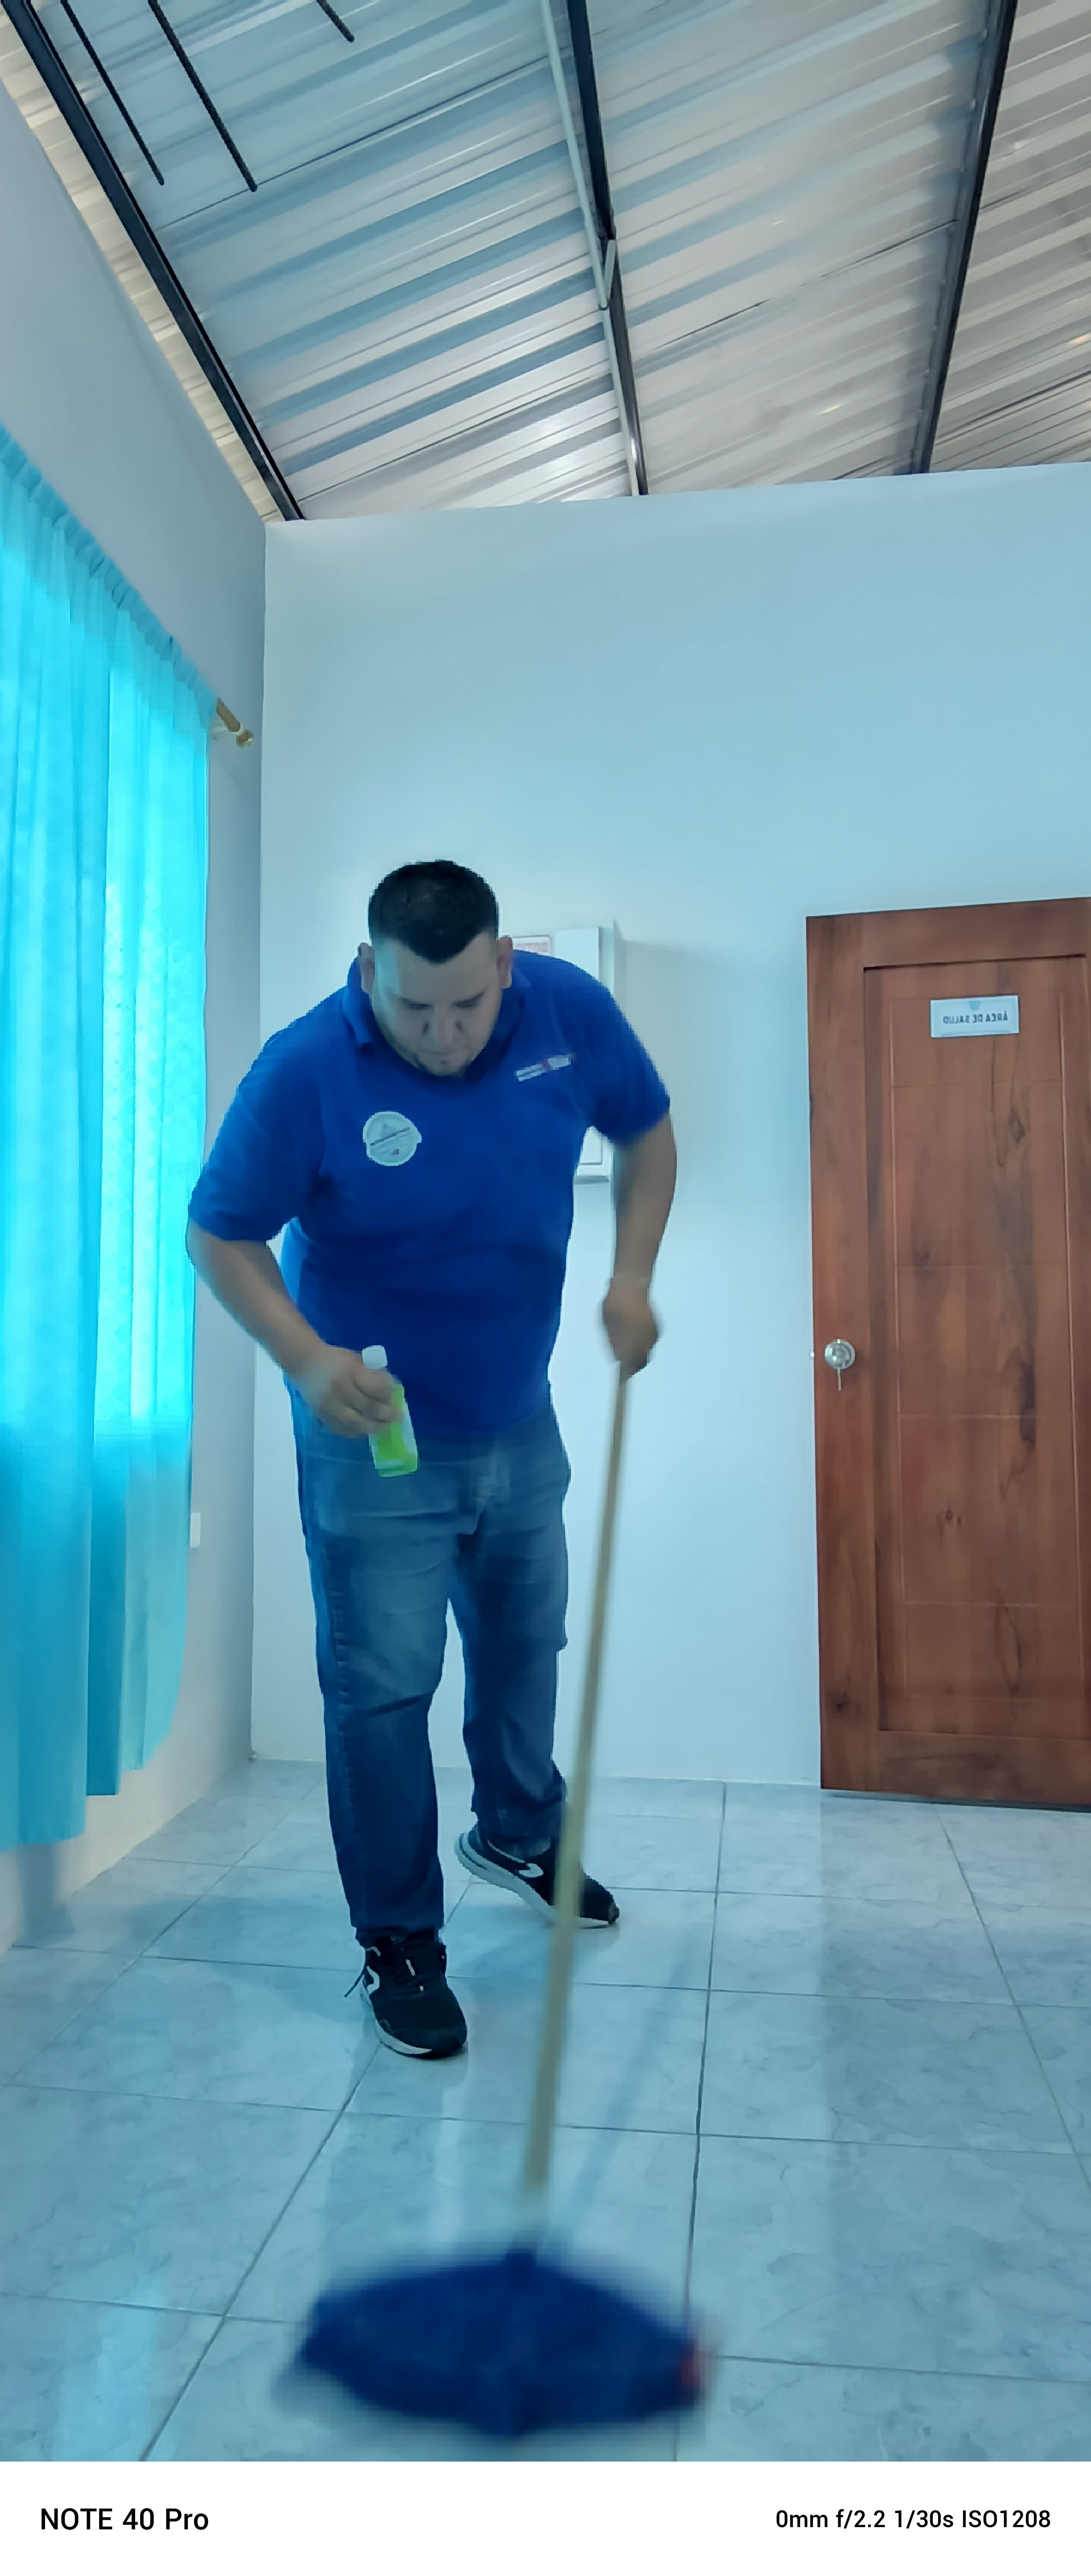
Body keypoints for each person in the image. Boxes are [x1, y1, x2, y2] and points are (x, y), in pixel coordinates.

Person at [186, 862, 676, 2060]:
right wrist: (306, 1360)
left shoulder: (568, 1013)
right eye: (414, 1007)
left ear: (506, 964)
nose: (443, 1034)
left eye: (466, 1005)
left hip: (518, 1417)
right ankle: (399, 1940)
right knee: (385, 1690)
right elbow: (220, 1232)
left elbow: (647, 1131)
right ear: (368, 970)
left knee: (523, 1645)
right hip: (379, 1439)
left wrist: (631, 1278)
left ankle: (516, 1831)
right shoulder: (308, 1069)